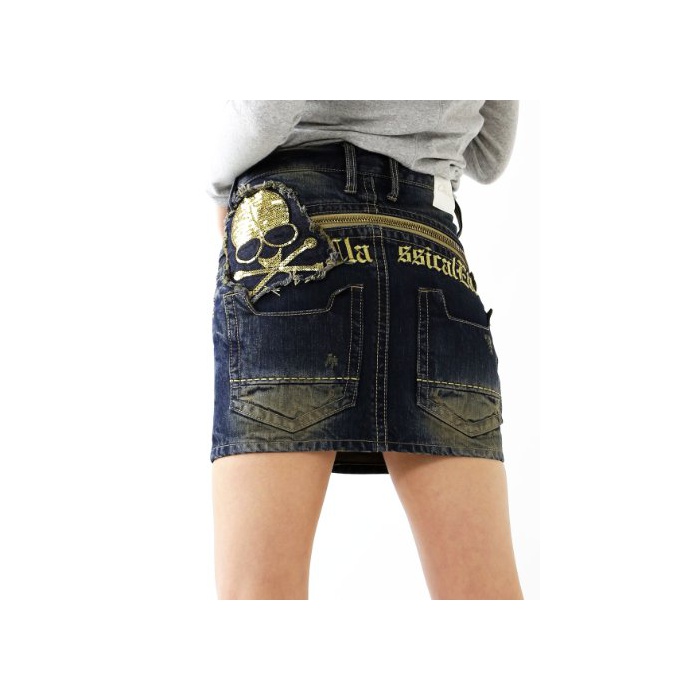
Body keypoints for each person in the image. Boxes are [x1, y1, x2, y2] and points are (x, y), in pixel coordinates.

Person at [205, 100, 523, 600]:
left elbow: (267, 108)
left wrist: (217, 183)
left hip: (293, 231)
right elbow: (491, 152)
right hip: (432, 250)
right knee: (483, 596)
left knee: (260, 595)